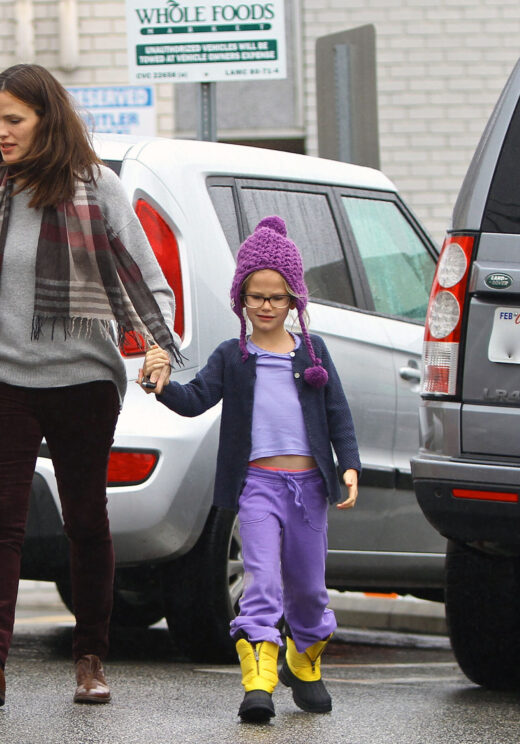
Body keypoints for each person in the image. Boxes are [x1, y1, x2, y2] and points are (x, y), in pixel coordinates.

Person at [0, 63, 182, 707]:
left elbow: (148, 282)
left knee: (85, 519)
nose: (1, 131)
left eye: (14, 119)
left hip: (84, 382)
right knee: (0, 521)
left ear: (47, 119)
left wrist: (158, 347)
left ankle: (90, 655)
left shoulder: (100, 189)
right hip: (4, 379)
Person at [141, 216, 360, 723]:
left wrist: (347, 466)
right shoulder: (232, 357)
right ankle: (258, 683)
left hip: (310, 489)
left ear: (294, 302)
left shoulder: (313, 352)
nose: (265, 306)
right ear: (241, 299)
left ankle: (303, 662)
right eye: (255, 296)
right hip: (257, 486)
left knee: (308, 588)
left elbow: (338, 416)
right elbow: (194, 400)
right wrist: (161, 385)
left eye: (276, 297)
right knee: (262, 582)